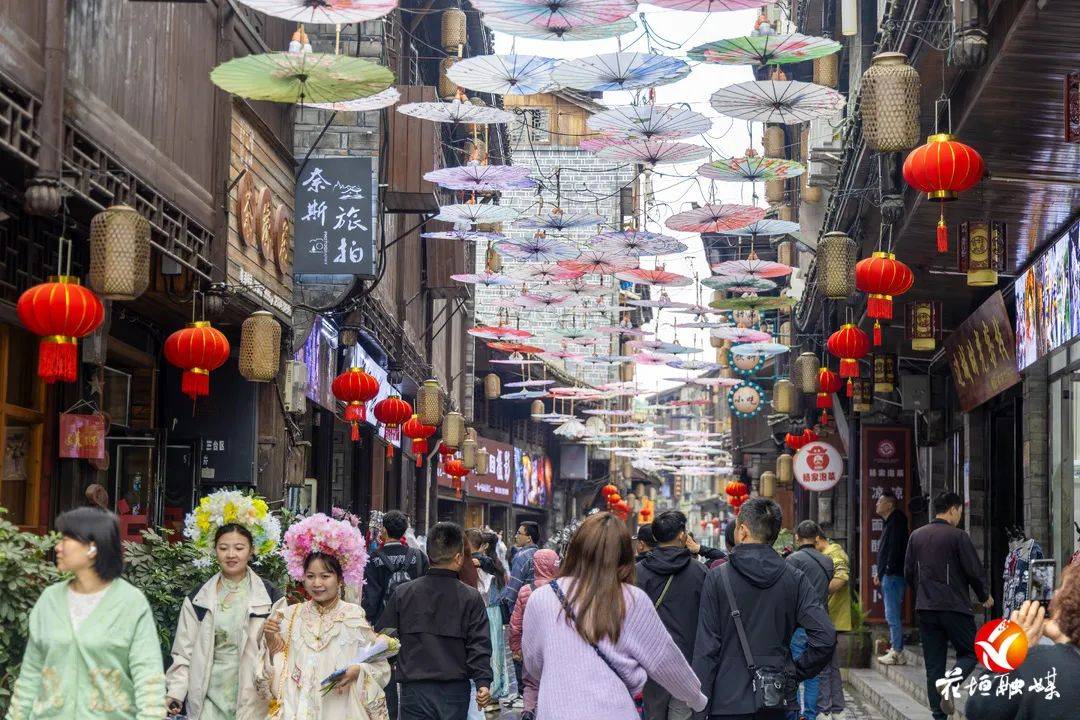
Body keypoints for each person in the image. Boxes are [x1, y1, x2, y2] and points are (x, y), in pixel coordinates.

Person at [523, 512, 707, 720]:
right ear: (624, 555)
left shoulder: (541, 598)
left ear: (575, 549)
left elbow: (533, 663)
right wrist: (697, 699)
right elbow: (665, 662)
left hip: (555, 711)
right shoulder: (631, 599)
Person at [9, 507, 166, 720]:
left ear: (92, 547)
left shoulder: (131, 604)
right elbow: (30, 676)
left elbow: (150, 683)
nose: (58, 547)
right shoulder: (49, 599)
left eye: (66, 540)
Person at [694, 498, 835, 720]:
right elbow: (826, 637)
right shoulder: (794, 578)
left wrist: (699, 709)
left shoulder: (717, 578)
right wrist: (794, 673)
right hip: (776, 700)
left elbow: (706, 650)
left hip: (727, 702)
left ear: (741, 530)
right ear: (775, 534)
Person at [166, 490, 287, 719]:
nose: (231, 554)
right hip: (206, 698)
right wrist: (175, 693)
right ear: (214, 550)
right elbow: (184, 652)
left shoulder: (271, 598)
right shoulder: (198, 600)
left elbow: (282, 653)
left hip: (253, 700)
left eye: (239, 548)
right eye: (223, 548)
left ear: (252, 550)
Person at [259, 513, 392, 719]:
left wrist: (358, 670)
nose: (317, 584)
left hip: (340, 708)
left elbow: (379, 665)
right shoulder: (291, 615)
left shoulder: (353, 615)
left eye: (325, 576)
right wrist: (270, 638)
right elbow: (275, 668)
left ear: (340, 578)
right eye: (310, 576)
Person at [376, 521, 492, 720]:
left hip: (414, 689)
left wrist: (400, 661)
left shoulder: (403, 593)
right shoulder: (471, 598)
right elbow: (478, 644)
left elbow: (384, 639)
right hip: (454, 690)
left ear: (429, 555)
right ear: (458, 558)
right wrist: (483, 682)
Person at [905, 491, 991, 720]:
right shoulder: (958, 536)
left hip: (926, 608)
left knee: (934, 665)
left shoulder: (916, 536)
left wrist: (924, 593)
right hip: (954, 607)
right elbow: (974, 570)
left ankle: (938, 715)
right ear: (953, 509)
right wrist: (984, 595)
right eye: (960, 511)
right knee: (972, 652)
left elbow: (908, 573)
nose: (960, 516)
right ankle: (951, 681)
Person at [965, 567, 1080, 720]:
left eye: (1061, 588)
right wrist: (1065, 634)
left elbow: (978, 708)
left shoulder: (1040, 665)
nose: (1055, 594)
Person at [637, 510, 708, 720]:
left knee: (653, 714)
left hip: (651, 663)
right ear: (681, 535)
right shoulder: (700, 573)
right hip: (687, 663)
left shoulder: (637, 573)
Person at [785, 521, 835, 720]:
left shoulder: (791, 560)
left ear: (797, 537)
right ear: (816, 537)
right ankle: (811, 715)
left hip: (798, 624)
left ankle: (795, 714)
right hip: (820, 623)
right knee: (813, 672)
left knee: (794, 670)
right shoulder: (827, 561)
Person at [508, 549, 560, 720]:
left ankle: (529, 710)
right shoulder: (561, 590)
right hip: (555, 646)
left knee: (530, 683)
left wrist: (515, 647)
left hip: (529, 646)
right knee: (551, 681)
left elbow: (515, 624)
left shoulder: (525, 590)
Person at [466, 528, 510, 710]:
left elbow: (482, 591)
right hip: (494, 613)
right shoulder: (496, 565)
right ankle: (495, 691)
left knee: (485, 651)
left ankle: (487, 691)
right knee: (495, 652)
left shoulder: (477, 564)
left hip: (483, 612)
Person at [810, 526, 851, 720]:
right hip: (829, 617)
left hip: (831, 616)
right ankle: (837, 708)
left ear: (818, 540)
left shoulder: (834, 553)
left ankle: (825, 709)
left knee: (824, 666)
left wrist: (820, 592)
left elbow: (842, 576)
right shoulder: (827, 553)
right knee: (831, 665)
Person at [363, 510, 429, 622]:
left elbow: (371, 596)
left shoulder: (373, 559)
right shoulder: (419, 556)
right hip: (415, 624)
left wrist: (369, 618)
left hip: (384, 625)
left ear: (384, 530)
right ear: (404, 532)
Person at [500, 520, 540, 704]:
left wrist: (507, 609)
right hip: (540, 608)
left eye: (519, 532)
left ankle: (523, 691)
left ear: (528, 537)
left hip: (522, 607)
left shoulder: (522, 556)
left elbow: (513, 587)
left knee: (518, 648)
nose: (516, 535)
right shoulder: (541, 554)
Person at [874, 490, 909, 665]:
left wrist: (886, 570)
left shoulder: (896, 521)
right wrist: (879, 573)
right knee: (891, 613)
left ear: (889, 504)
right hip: (889, 575)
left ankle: (897, 652)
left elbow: (895, 549)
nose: (877, 504)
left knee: (892, 614)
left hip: (893, 575)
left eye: (880, 502)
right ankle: (896, 649)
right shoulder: (890, 522)